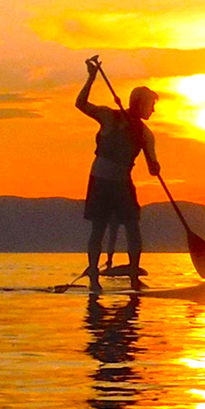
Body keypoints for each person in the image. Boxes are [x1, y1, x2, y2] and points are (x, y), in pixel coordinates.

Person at [75, 58, 159, 293]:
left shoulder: (146, 135)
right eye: (151, 104)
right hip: (101, 180)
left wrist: (155, 166)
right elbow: (80, 104)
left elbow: (153, 166)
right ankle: (93, 273)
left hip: (123, 182)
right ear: (139, 103)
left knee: (133, 227)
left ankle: (134, 276)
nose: (153, 109)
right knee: (99, 227)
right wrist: (91, 77)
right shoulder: (110, 117)